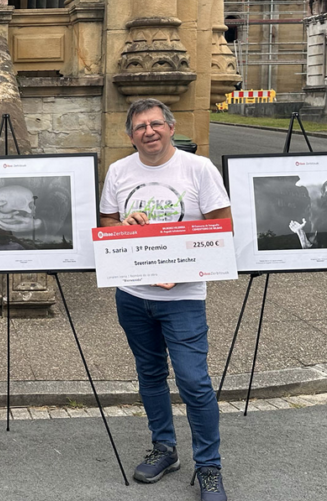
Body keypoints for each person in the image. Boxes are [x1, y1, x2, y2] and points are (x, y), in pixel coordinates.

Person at [99, 98, 231, 501]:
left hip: (184, 296)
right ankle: (165, 448)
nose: (149, 132)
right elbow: (106, 223)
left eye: (156, 124)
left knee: (194, 380)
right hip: (134, 293)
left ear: (171, 128)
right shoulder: (119, 172)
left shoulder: (198, 169)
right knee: (151, 374)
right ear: (130, 134)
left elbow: (221, 226)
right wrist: (123, 224)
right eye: (140, 127)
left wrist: (186, 270)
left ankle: (209, 467)